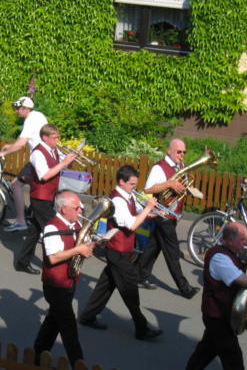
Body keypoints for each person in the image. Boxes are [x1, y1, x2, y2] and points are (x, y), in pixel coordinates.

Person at [78, 165, 163, 341]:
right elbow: (131, 224)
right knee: (130, 289)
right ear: (121, 182)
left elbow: (136, 213)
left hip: (121, 250)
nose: (135, 186)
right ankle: (142, 328)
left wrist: (150, 212)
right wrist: (147, 209)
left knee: (106, 285)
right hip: (118, 251)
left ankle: (87, 316)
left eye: (135, 183)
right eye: (132, 184)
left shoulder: (128, 195)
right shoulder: (117, 200)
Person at [33, 191, 95, 366]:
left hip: (69, 281)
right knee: (69, 327)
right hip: (56, 284)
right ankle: (78, 363)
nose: (81, 211)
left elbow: (80, 245)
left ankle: (37, 355)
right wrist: (78, 250)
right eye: (77, 208)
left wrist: (91, 245)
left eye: (81, 207)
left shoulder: (75, 224)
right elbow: (53, 257)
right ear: (64, 208)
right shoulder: (52, 227)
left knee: (53, 322)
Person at [136, 138, 200, 299]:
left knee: (153, 246)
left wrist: (191, 190)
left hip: (172, 213)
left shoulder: (181, 166)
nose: (182, 155)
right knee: (172, 253)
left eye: (184, 152)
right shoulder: (159, 168)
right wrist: (168, 184)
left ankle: (139, 275)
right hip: (162, 214)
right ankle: (185, 288)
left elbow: (182, 186)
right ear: (169, 150)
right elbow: (148, 188)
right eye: (179, 151)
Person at [186, 222, 247, 370]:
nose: (246, 244)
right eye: (242, 240)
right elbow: (242, 280)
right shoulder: (219, 258)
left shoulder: (232, 253)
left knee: (205, 352)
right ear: (229, 241)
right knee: (233, 359)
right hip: (218, 316)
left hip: (219, 315)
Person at [14, 124, 76, 274]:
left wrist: (70, 161)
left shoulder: (53, 149)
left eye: (57, 137)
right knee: (53, 230)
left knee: (33, 232)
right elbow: (45, 175)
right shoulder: (38, 153)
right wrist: (63, 163)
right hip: (40, 198)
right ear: (45, 138)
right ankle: (56, 263)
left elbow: (61, 166)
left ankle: (22, 263)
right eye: (54, 138)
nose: (57, 140)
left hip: (49, 196)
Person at [0, 96, 48, 232]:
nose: (16, 111)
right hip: (46, 158)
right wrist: (10, 145)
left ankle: (21, 221)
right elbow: (31, 139)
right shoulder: (39, 115)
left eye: (18, 108)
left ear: (25, 109)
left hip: (38, 161)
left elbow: (21, 144)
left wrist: (3, 154)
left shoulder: (30, 120)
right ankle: (29, 215)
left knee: (15, 184)